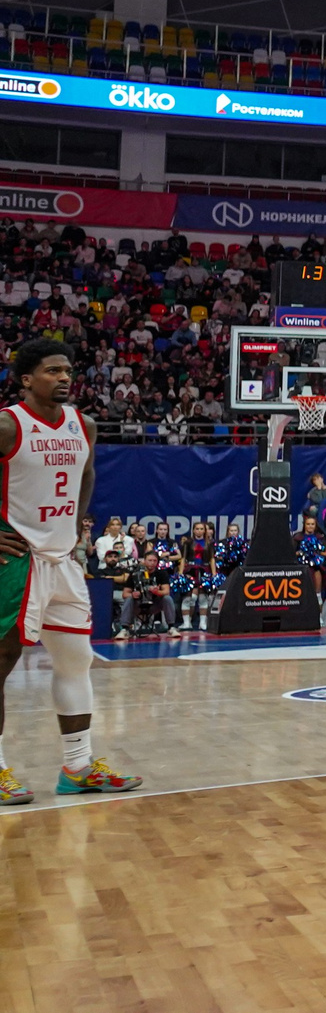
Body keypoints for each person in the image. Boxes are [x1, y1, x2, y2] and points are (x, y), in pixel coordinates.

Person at [0, 337, 141, 802]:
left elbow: (87, 474)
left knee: (77, 661)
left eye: (67, 371)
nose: (64, 378)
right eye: (52, 371)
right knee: (2, 663)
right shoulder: (7, 424)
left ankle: (78, 767)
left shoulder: (86, 425)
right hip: (17, 562)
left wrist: (77, 527)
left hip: (64, 561)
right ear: (26, 379)